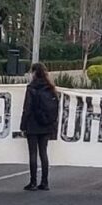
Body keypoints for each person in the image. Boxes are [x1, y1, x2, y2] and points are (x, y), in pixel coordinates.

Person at [20, 63, 59, 191]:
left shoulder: (31, 88)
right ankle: (45, 182)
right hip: (47, 124)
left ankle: (33, 182)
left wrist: (23, 125)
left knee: (33, 153)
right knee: (43, 153)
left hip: (33, 124)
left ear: (34, 73)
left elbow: (27, 107)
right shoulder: (51, 88)